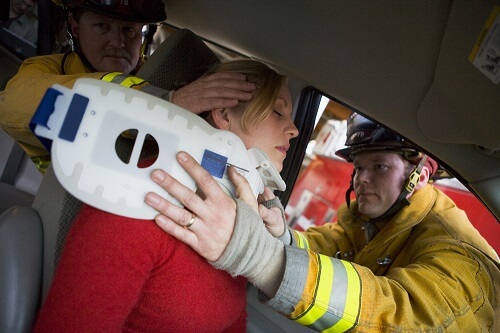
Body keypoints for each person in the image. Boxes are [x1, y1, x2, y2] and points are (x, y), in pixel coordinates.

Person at [145, 112, 500, 332]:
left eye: (379, 167)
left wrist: (261, 257)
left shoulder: (459, 256)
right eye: (359, 168)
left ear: (420, 176)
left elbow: (403, 314)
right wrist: (280, 234)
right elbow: (325, 246)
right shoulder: (368, 221)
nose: (361, 179)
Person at [33, 59, 299, 332]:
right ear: (224, 114)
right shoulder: (136, 205)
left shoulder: (235, 232)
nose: (295, 130)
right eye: (278, 112)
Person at [0, 0, 255, 173]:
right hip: (71, 208)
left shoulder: (172, 83)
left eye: (129, 31)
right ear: (75, 28)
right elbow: (12, 105)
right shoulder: (45, 70)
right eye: (102, 26)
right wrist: (162, 105)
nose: (118, 41)